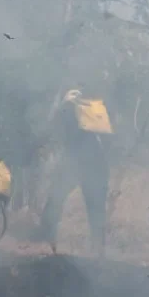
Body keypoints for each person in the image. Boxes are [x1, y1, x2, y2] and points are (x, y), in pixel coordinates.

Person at [36, 88, 112, 257]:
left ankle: (46, 241)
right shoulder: (93, 115)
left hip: (75, 161)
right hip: (97, 163)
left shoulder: (66, 109)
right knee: (96, 208)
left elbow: (52, 128)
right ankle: (98, 250)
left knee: (56, 198)